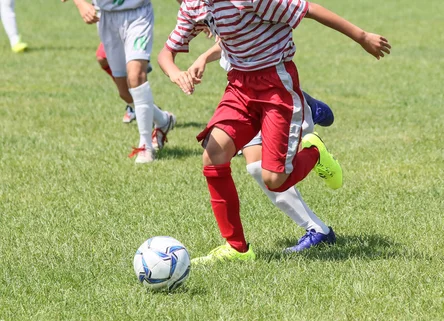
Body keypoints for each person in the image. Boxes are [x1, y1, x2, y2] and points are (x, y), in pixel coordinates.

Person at [158, 0, 391, 264]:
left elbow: (309, 10)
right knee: (213, 155)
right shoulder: (194, 5)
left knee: (274, 179)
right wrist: (175, 73)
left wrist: (362, 37)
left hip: (275, 85)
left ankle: (314, 151)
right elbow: (166, 54)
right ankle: (237, 248)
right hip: (239, 86)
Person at [161, 41, 337, 257]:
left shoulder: (241, 7)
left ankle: (314, 153)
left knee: (265, 171)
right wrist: (201, 58)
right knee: (253, 167)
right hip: (242, 92)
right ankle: (243, 246)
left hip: (268, 92)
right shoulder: (202, 10)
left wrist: (360, 36)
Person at [68, 0, 176, 163]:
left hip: (138, 14)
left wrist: (196, 13)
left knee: (136, 77)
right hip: (107, 19)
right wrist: (81, 4)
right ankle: (163, 120)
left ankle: (145, 146)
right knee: (125, 94)